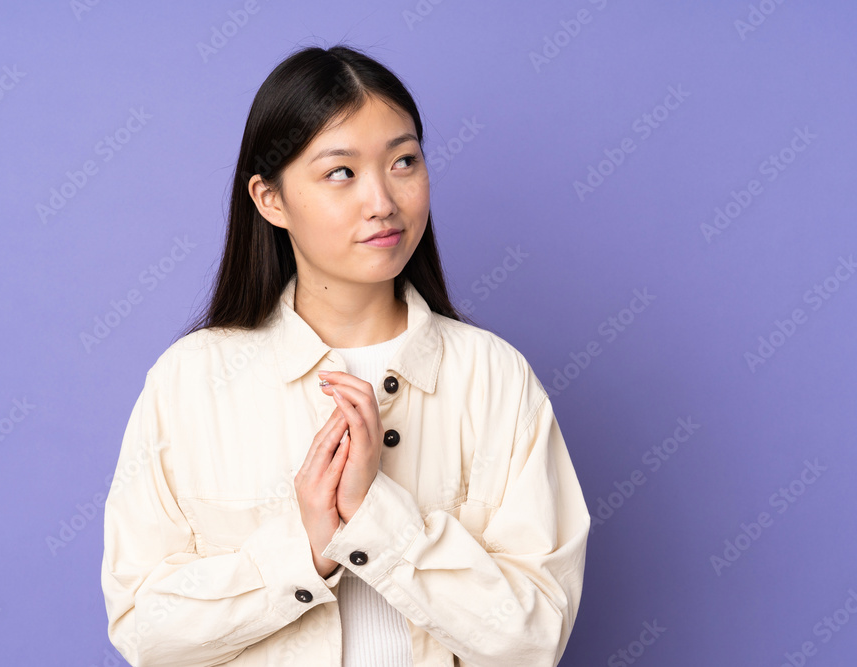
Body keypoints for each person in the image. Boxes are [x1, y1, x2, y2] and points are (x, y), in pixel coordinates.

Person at [101, 43, 591, 667]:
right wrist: (306, 549)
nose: (383, 201)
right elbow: (145, 630)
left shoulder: (492, 376)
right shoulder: (191, 382)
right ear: (270, 199)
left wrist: (377, 518)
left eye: (404, 161)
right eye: (341, 172)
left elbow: (534, 636)